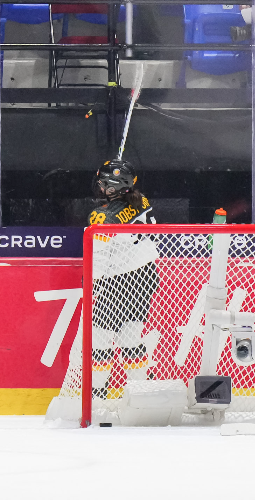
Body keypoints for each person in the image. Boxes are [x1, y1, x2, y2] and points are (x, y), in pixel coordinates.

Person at [87, 159, 158, 399]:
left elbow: (99, 255)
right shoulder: (142, 200)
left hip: (117, 280)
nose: (99, 186)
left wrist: (92, 282)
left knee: (100, 337)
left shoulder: (101, 216)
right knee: (131, 335)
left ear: (114, 187)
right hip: (145, 276)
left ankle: (97, 392)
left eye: (104, 182)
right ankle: (139, 392)